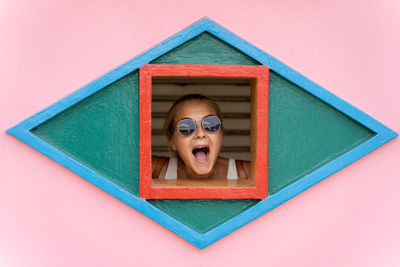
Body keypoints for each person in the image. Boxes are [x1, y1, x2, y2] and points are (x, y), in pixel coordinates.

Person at [152, 94, 250, 180]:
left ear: (221, 134)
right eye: (186, 127)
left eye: (211, 125)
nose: (200, 133)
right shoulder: (152, 170)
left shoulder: (249, 174)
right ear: (173, 141)